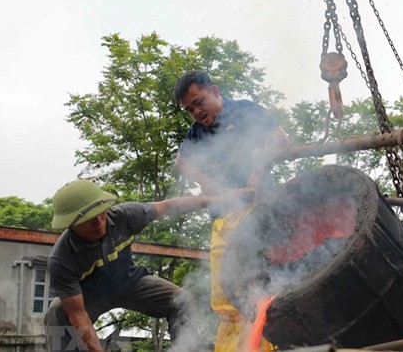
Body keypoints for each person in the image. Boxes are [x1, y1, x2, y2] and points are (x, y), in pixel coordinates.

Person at [44, 179, 248, 352]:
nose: (98, 222)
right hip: (89, 296)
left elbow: (167, 206)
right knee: (57, 311)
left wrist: (220, 199)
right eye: (89, 219)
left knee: (182, 300)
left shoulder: (124, 216)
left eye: (101, 213)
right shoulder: (62, 259)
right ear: (71, 224)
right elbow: (78, 315)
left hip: (129, 282)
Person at [173, 70, 288, 352]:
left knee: (256, 287)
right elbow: (180, 162)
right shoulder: (196, 131)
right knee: (225, 293)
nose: (196, 111)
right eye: (189, 109)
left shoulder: (245, 110)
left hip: (256, 212)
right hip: (222, 216)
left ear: (214, 91)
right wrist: (207, 183)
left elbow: (281, 140)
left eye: (199, 102)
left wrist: (260, 171)